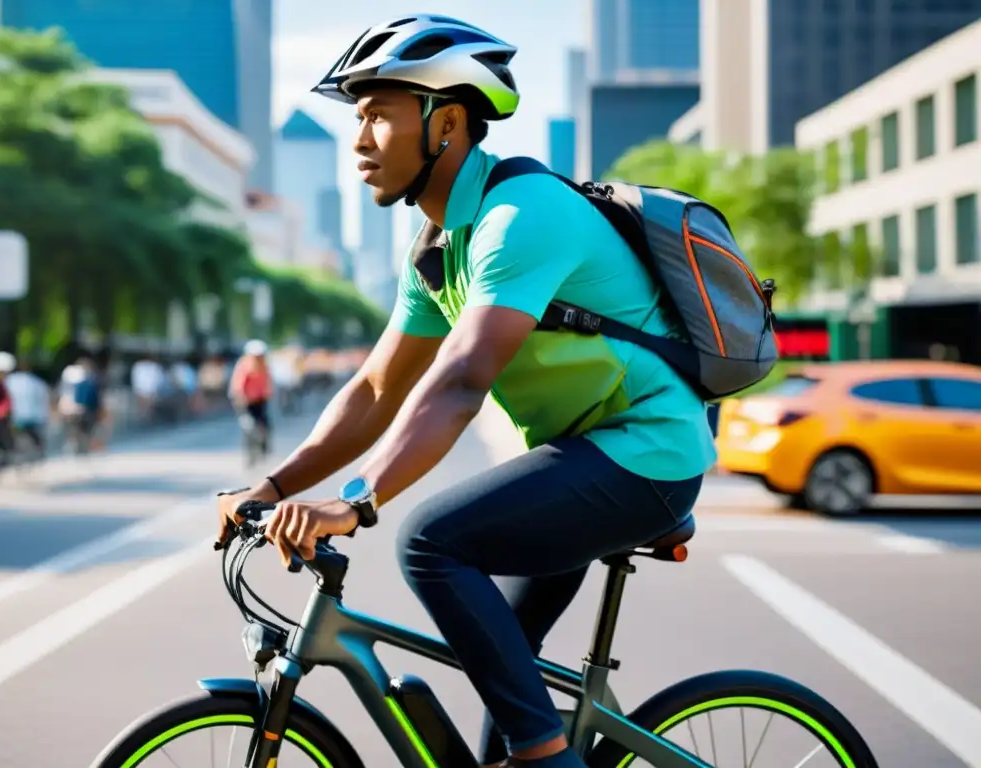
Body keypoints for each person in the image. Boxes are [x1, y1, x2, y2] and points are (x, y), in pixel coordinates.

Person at [217, 15, 716, 768]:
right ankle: (536, 749)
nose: (358, 140)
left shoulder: (521, 217)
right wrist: (274, 483)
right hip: (586, 457)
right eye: (357, 118)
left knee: (429, 541)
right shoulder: (441, 248)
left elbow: (460, 381)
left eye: (378, 116)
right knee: (505, 680)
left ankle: (550, 760)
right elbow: (378, 387)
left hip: (646, 456)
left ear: (446, 121)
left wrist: (357, 500)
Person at [229, 339, 274, 450]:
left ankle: (264, 445)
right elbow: (238, 383)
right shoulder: (243, 366)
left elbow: (268, 383)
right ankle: (249, 448)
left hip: (259, 400)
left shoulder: (265, 367)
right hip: (245, 401)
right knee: (247, 424)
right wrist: (240, 395)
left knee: (265, 423)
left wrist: (267, 393)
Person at [4, 358, 51, 453]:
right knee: (37, 444)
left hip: (16, 418)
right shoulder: (38, 382)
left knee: (15, 443)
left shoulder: (8, 381)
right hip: (36, 418)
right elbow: (45, 399)